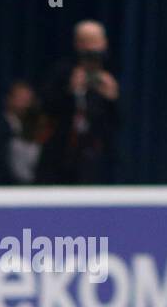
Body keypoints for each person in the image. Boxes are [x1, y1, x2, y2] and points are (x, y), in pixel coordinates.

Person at [36, 19, 120, 184]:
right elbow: (44, 109)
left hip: (96, 161)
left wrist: (113, 99)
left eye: (95, 41)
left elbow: (119, 122)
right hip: (59, 159)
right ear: (77, 44)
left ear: (104, 43)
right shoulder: (62, 71)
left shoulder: (111, 73)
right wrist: (69, 91)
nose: (91, 48)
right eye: (85, 42)